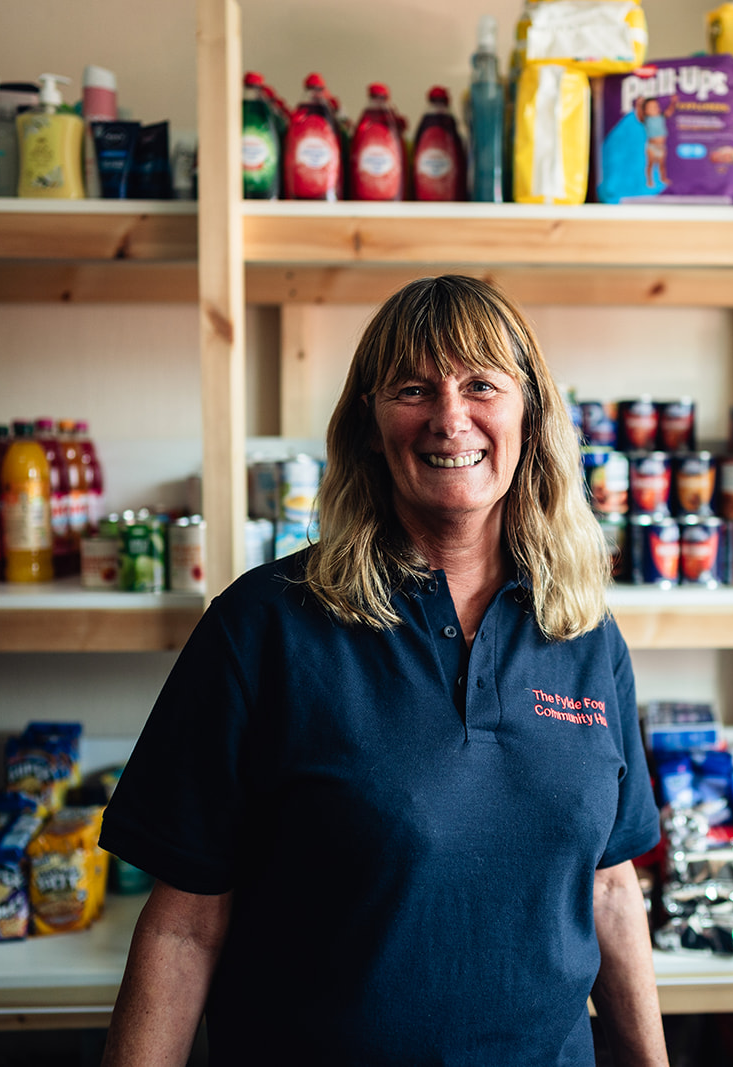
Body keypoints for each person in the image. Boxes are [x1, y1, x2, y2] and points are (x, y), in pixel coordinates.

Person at [99, 275, 667, 1066]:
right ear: (368, 424)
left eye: (480, 385)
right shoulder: (261, 628)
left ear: (530, 417)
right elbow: (185, 924)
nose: (449, 417)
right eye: (412, 388)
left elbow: (609, 886)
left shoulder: (584, 632)